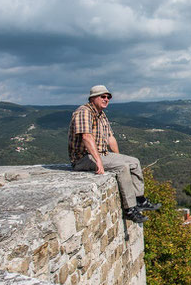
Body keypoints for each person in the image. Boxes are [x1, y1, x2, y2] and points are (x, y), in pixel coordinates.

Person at [68, 85, 160, 223]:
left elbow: (110, 138)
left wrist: (118, 157)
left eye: (108, 97)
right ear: (93, 98)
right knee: (121, 167)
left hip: (101, 153)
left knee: (134, 162)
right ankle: (130, 208)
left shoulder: (101, 114)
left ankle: (140, 199)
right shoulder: (84, 112)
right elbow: (86, 137)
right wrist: (99, 162)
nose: (106, 99)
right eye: (103, 96)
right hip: (83, 158)